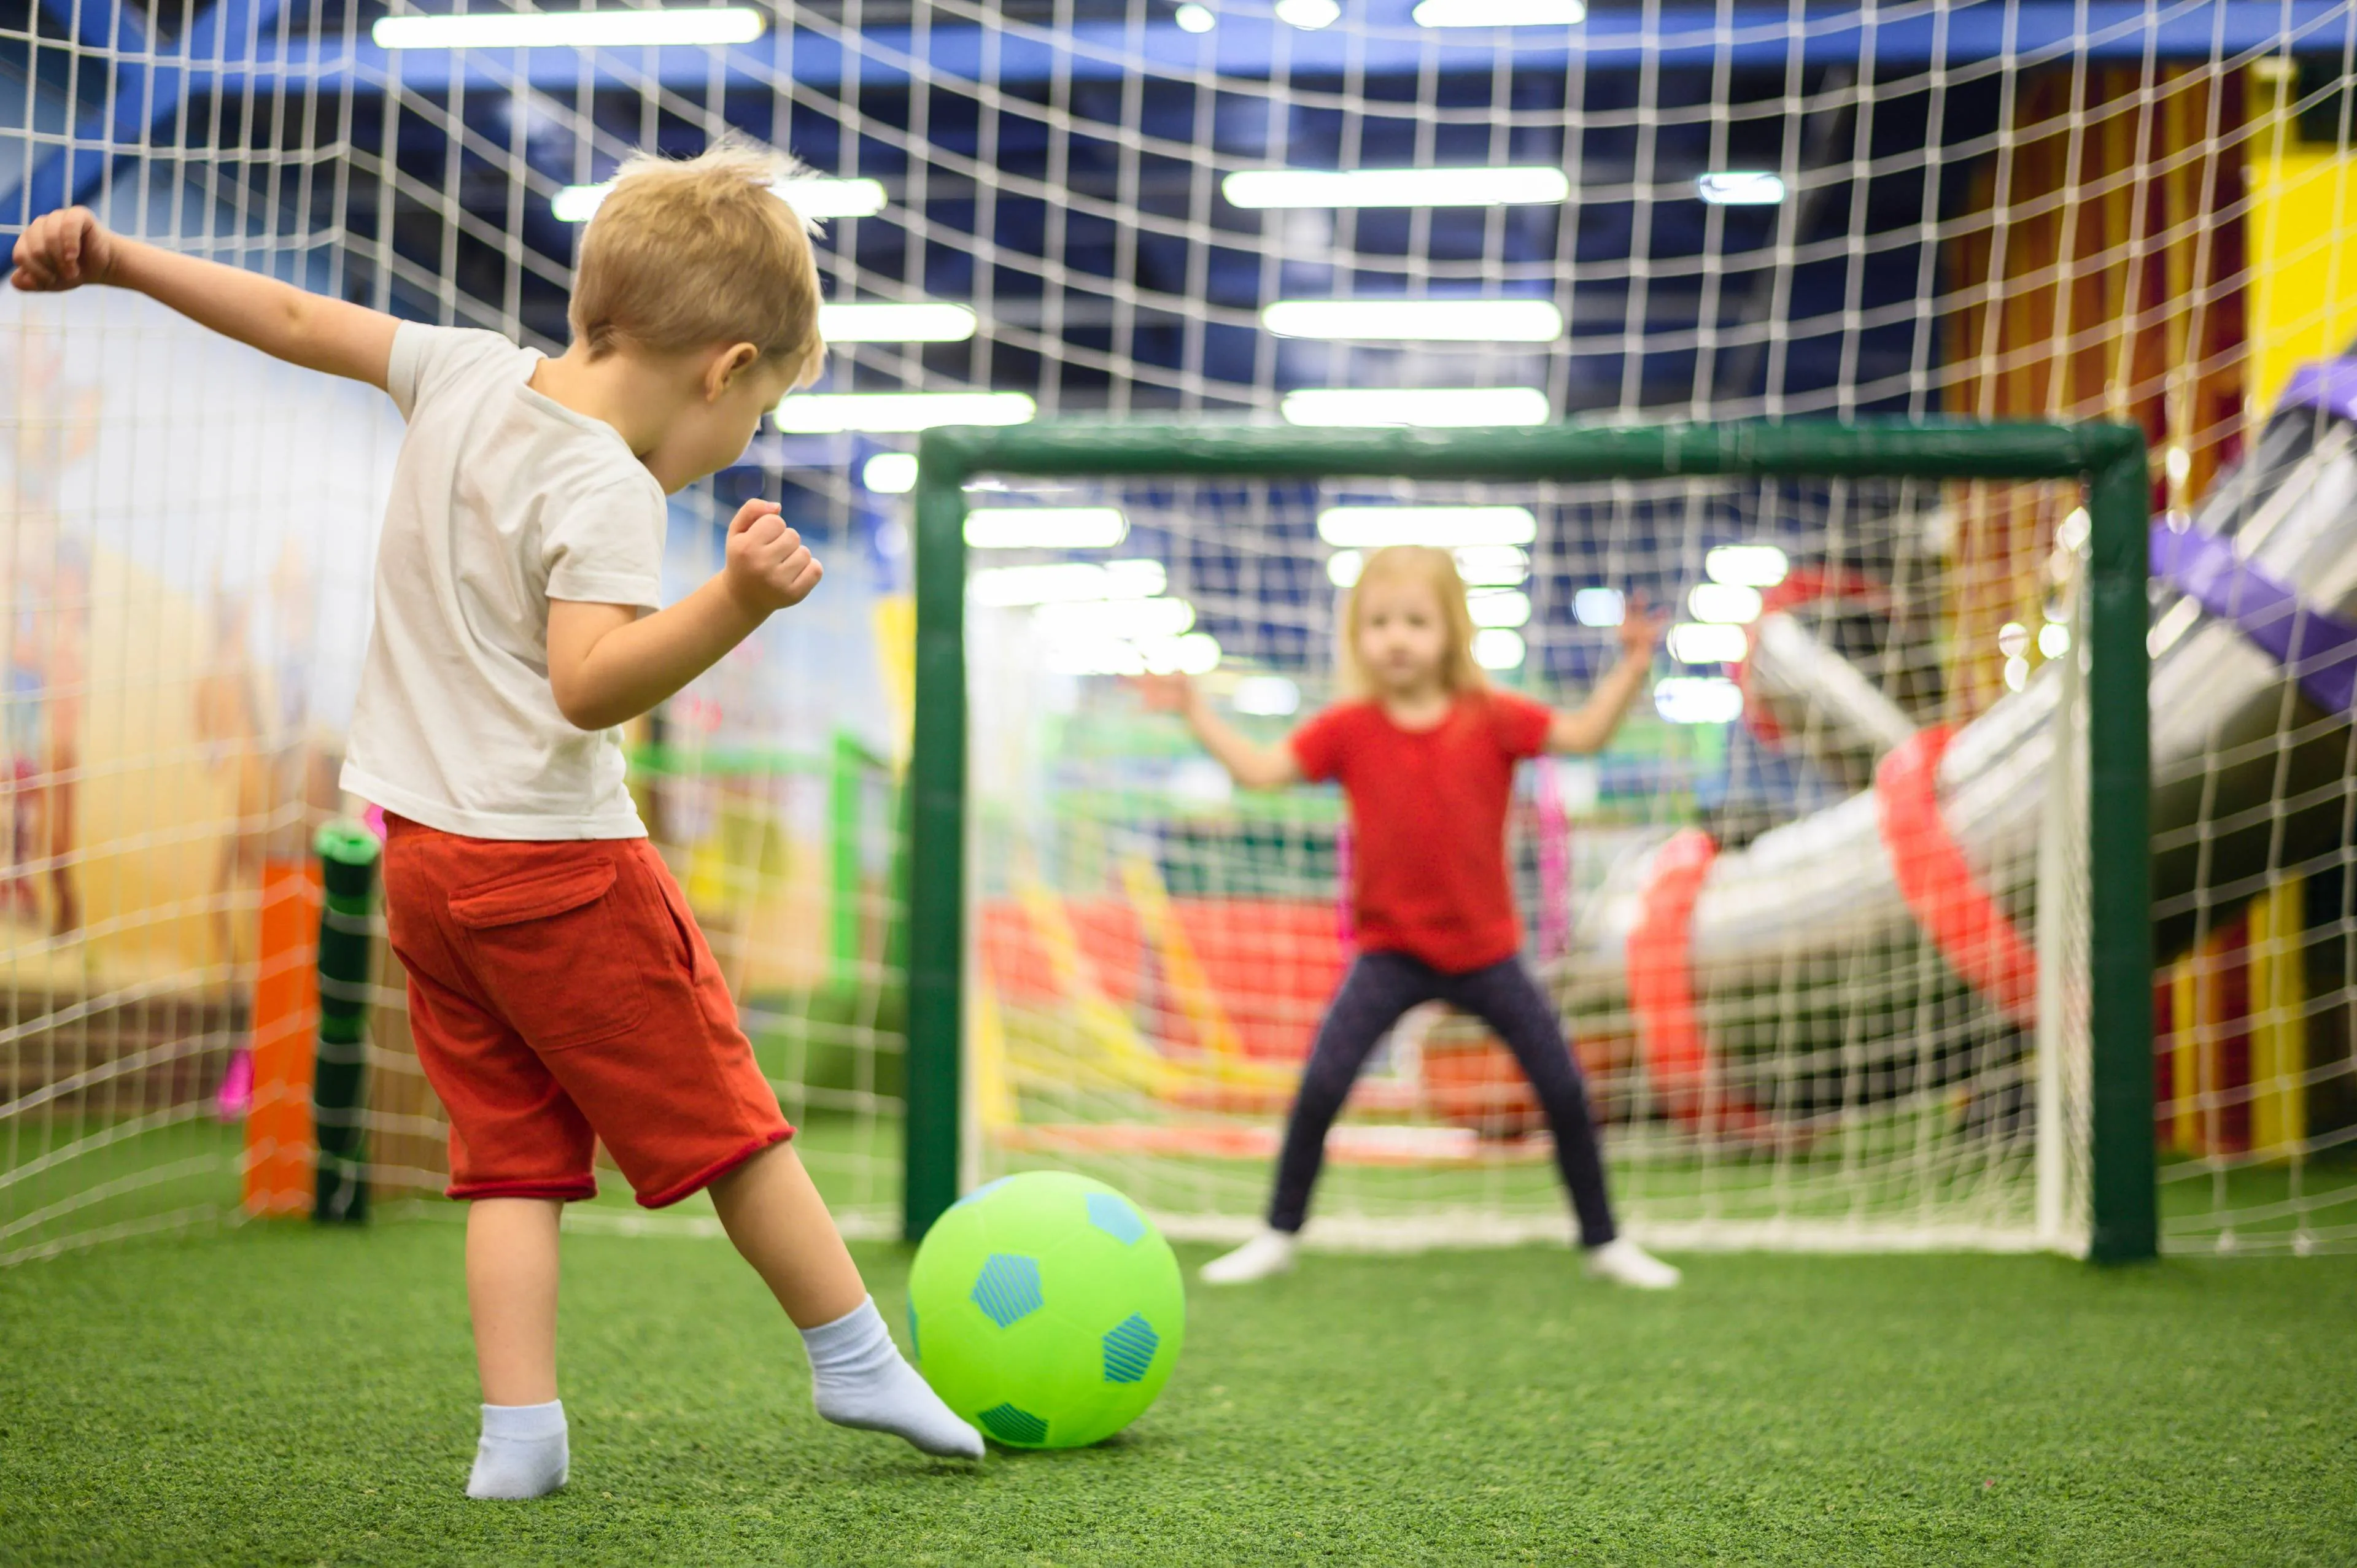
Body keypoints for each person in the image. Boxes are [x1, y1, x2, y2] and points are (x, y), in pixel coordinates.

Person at [10, 142, 985, 1496]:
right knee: (731, 1122)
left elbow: (297, 321)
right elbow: (588, 687)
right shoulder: (609, 486)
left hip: (423, 866)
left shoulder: (463, 372)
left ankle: (520, 1434)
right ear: (722, 367)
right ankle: (852, 1349)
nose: (730, 450)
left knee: (511, 1158)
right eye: (752, 414)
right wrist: (737, 603)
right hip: (558, 868)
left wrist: (119, 259)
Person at [1136, 544, 1682, 1290]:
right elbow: (1260, 773)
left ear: (1450, 632)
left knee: (1561, 1086)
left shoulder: (1492, 718)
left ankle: (1604, 1239)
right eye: (1379, 622)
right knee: (1322, 1085)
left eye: (1416, 622)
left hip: (1487, 952)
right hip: (1388, 954)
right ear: (1357, 634)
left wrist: (1630, 670)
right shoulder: (1349, 727)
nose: (1397, 637)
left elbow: (1586, 736)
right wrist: (1196, 710)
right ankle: (1276, 1232)